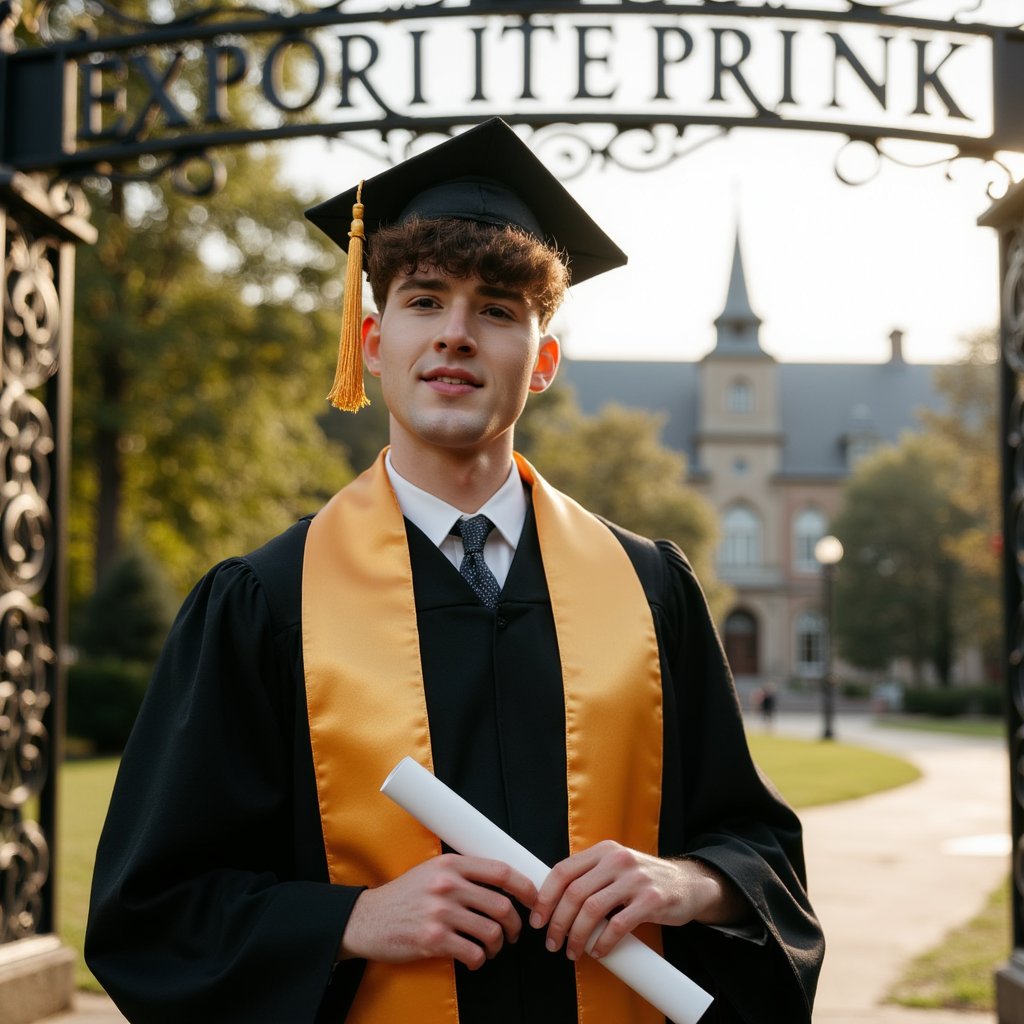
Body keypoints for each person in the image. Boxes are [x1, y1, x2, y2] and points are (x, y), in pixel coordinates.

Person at [85, 118, 824, 1024]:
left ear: (543, 361)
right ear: (369, 341)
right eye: (425, 300)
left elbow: (759, 848)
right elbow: (153, 911)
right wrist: (350, 919)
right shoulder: (269, 602)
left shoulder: (648, 590)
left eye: (500, 311)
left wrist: (685, 883)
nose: (458, 335)